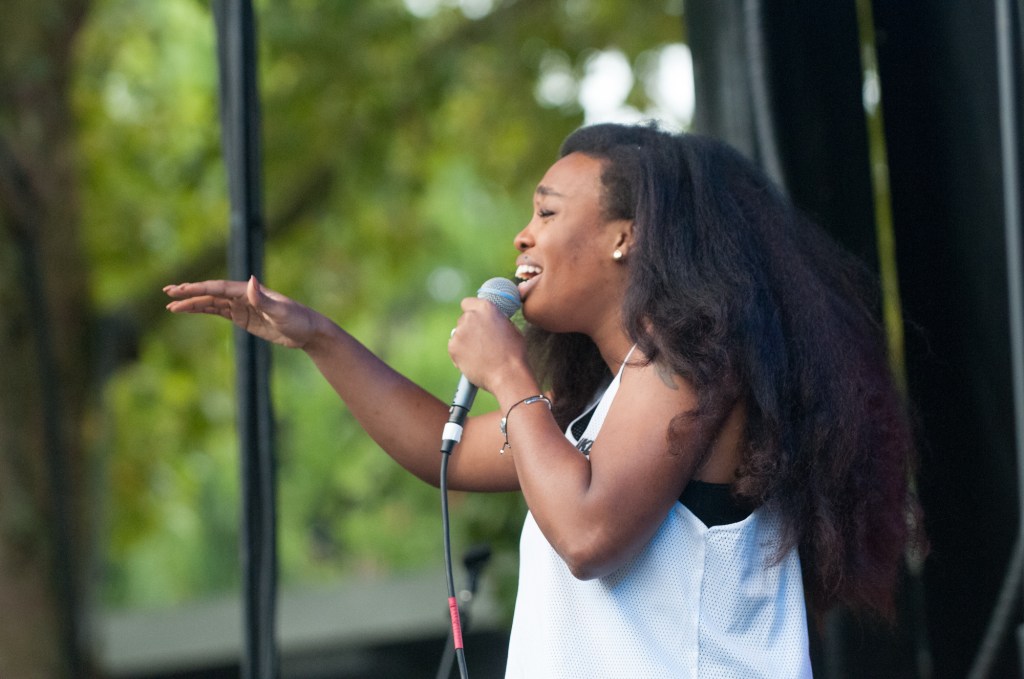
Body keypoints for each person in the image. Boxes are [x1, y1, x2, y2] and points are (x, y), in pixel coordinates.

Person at [164, 122, 925, 678]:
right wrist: (319, 337)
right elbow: (450, 448)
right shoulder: (606, 400)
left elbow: (589, 534)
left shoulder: (693, 371)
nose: (523, 237)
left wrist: (509, 373)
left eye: (548, 212)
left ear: (627, 236)